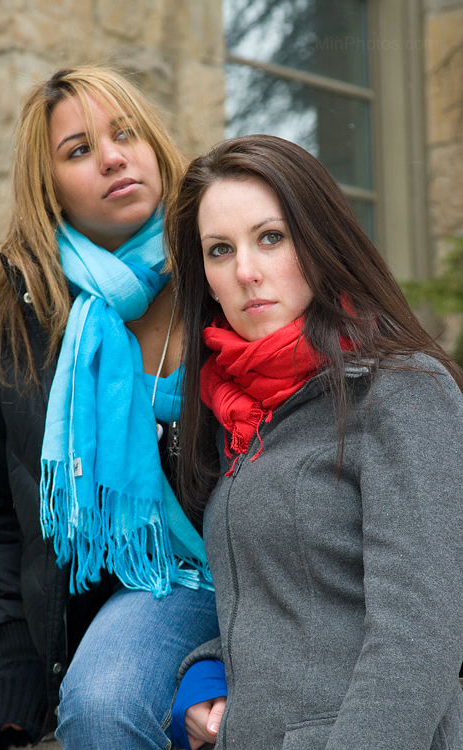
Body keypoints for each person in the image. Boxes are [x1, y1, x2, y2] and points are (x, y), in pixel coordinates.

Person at [166, 134, 463, 750]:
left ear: (319, 242)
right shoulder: (236, 414)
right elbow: (296, 604)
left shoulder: (403, 390)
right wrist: (207, 671)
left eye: (271, 238)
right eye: (220, 250)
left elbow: (419, 637)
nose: (246, 272)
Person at [0, 65, 220, 750]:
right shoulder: (3, 324)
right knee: (103, 707)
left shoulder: (226, 264)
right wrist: (15, 666)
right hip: (148, 599)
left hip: (272, 573)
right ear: (47, 187)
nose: (112, 157)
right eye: (78, 150)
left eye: (126, 134)